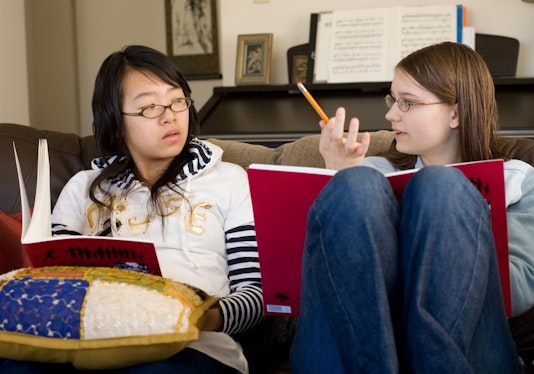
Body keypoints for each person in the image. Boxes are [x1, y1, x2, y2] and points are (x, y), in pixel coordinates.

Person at [0, 45, 263, 373]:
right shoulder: (83, 188)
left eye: (177, 100)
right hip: (91, 341)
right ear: (115, 124)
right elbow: (56, 278)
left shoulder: (229, 181)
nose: (170, 115)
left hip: (192, 347)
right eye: (149, 107)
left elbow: (255, 292)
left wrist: (203, 316)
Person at [290, 41, 534, 373]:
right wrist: (339, 175)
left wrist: (459, 231)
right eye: (393, 99)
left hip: (475, 344)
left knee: (440, 186)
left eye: (407, 102)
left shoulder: (516, 179)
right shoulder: (370, 173)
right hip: (354, 347)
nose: (390, 115)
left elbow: (518, 291)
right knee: (355, 187)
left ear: (456, 113)